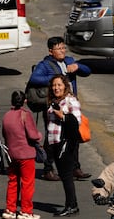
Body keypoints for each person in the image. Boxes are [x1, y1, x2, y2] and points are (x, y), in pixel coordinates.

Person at [27, 36, 92, 181]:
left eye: (63, 47)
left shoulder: (69, 61)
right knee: (52, 138)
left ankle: (75, 168)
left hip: (70, 103)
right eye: (58, 48)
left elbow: (88, 71)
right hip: (54, 105)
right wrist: (55, 78)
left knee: (74, 135)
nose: (62, 51)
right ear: (51, 51)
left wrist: (78, 67)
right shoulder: (45, 65)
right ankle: (48, 169)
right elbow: (34, 79)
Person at [0, 91, 42, 219]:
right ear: (24, 101)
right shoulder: (25, 115)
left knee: (13, 181)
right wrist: (39, 135)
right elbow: (33, 135)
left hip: (12, 154)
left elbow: (5, 134)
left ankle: (10, 209)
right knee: (27, 183)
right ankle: (26, 210)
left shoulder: (6, 116)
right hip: (26, 154)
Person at [47, 74, 82, 217]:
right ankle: (71, 204)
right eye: (54, 85)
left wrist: (63, 116)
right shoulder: (54, 101)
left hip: (66, 143)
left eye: (59, 85)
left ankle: (72, 206)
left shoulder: (70, 101)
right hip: (55, 142)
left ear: (65, 86)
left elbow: (77, 122)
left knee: (67, 175)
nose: (56, 88)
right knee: (63, 175)